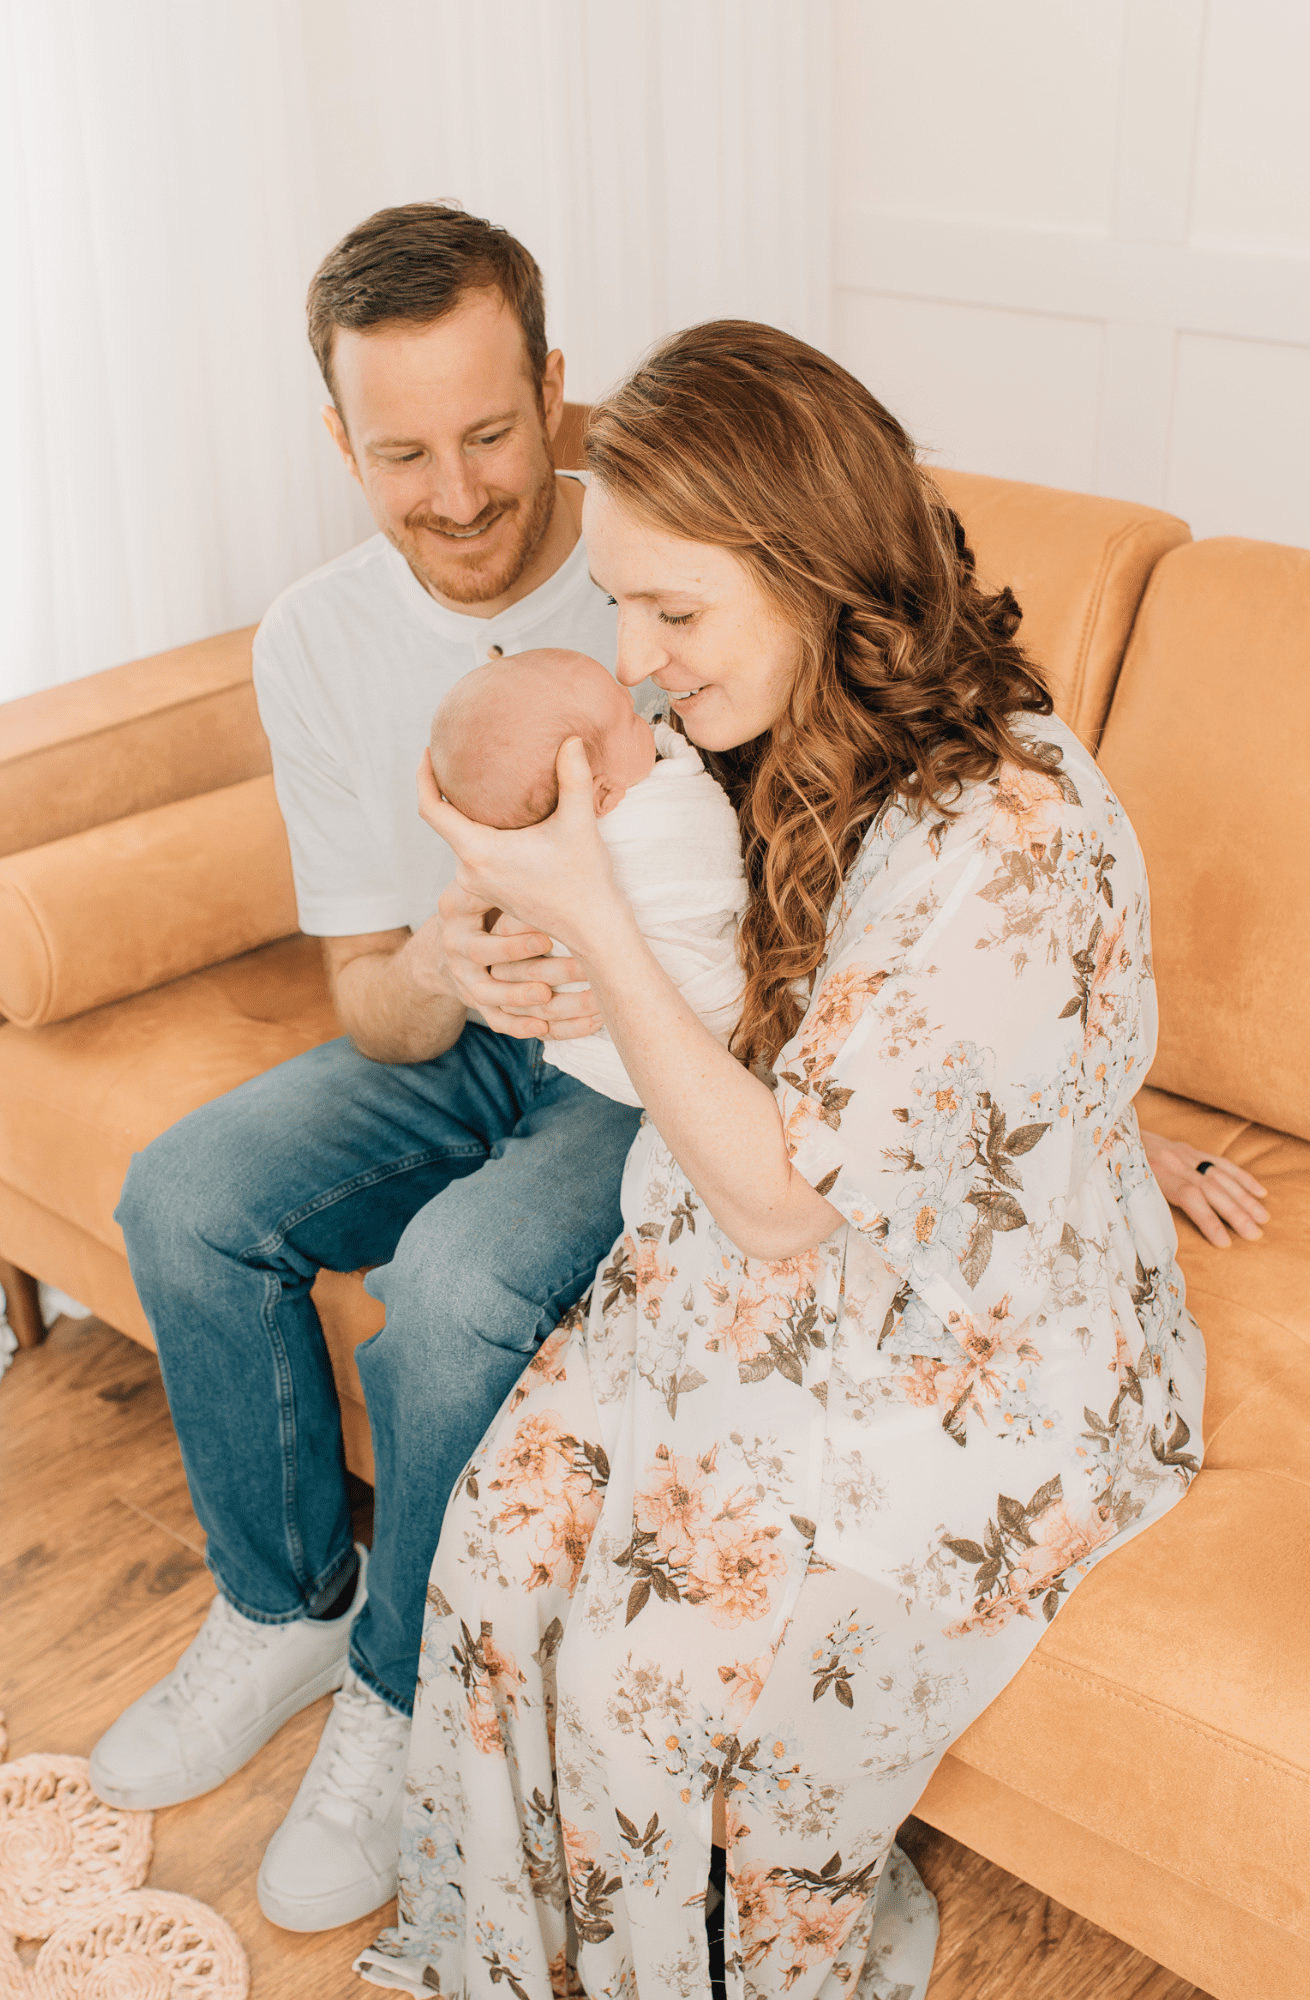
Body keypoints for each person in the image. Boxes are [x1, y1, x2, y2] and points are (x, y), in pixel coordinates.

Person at [356, 323, 1209, 2000]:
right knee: (504, 1534)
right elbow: (777, 1012)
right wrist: (501, 944)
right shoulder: (762, 737)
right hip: (768, 1246)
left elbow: (778, 1200)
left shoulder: (1006, 829)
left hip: (970, 1354)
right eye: (620, 603)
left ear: (822, 576)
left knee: (652, 1688)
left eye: (674, 611)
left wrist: (587, 911)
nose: (639, 659)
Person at [89, 203, 655, 1934]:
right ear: (337, 441)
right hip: (467, 1032)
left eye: (491, 434)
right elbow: (363, 998)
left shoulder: (664, 549)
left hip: (644, 1064)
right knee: (182, 1195)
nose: (462, 493)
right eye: (401, 453)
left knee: (458, 1277)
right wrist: (435, 962)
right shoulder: (314, 640)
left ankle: (403, 1696)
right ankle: (286, 1613)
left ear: (554, 391)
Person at [429, 649, 747, 1105]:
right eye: (631, 719)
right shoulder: (667, 804)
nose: (641, 702)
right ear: (597, 794)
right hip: (686, 1027)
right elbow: (706, 832)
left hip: (653, 1063)